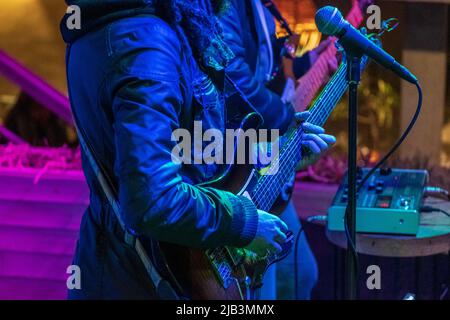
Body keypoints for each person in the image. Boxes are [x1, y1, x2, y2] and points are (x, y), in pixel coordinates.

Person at [61, 0, 335, 299]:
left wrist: (275, 154)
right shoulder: (146, 44)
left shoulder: (131, 27)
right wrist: (245, 223)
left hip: (128, 272)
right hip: (147, 281)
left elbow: (187, 150)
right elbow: (153, 200)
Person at [219, 0, 338, 299]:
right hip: (244, 170)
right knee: (264, 289)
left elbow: (268, 73)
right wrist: (286, 120)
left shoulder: (261, 7)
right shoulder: (230, 6)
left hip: (266, 166)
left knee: (302, 275)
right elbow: (235, 79)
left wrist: (312, 60)